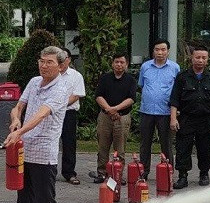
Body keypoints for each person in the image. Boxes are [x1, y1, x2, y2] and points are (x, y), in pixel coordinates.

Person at [4, 46, 69, 203]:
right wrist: (16, 119)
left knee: (45, 202)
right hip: (24, 150)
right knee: (23, 199)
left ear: (61, 66)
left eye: (50, 62)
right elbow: (18, 106)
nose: (44, 66)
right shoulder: (33, 82)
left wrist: (18, 132)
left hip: (43, 153)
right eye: (42, 61)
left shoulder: (60, 89)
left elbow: (41, 115)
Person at [170, 44, 210, 188]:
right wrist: (173, 118)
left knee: (206, 147)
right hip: (187, 117)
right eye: (197, 57)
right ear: (191, 58)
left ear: (207, 60)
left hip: (206, 118)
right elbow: (174, 99)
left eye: (203, 58)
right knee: (183, 147)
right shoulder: (182, 77)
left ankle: (204, 173)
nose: (200, 60)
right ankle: (182, 176)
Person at [138, 39, 180, 180]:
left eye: (163, 50)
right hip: (147, 111)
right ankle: (143, 171)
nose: (160, 53)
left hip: (166, 112)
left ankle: (167, 172)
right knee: (145, 144)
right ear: (153, 51)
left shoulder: (175, 68)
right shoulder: (145, 67)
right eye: (157, 49)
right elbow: (142, 85)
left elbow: (177, 91)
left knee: (166, 144)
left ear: (168, 51)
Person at [93, 53, 137, 183]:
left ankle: (118, 174)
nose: (119, 65)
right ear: (112, 63)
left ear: (126, 64)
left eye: (122, 62)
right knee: (103, 147)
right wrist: (109, 109)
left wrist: (116, 109)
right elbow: (98, 96)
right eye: (116, 62)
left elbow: (131, 99)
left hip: (122, 117)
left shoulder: (130, 80)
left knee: (120, 148)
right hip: (105, 117)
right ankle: (101, 173)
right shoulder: (105, 78)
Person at [59, 48, 86, 185]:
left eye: (63, 58)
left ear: (69, 59)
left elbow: (76, 95)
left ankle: (69, 173)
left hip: (69, 113)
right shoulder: (51, 74)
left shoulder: (76, 76)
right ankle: (48, 171)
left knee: (69, 143)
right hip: (51, 113)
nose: (61, 61)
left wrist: (58, 104)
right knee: (49, 142)